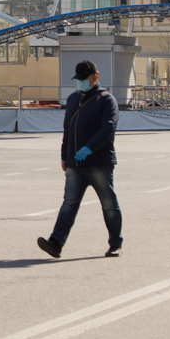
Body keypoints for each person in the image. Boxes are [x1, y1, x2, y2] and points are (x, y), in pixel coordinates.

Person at [37, 60, 123, 260]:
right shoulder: (73, 100)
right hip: (75, 163)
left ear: (95, 77)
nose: (81, 83)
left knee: (109, 204)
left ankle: (115, 244)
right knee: (69, 204)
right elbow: (68, 130)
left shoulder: (106, 100)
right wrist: (64, 156)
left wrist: (89, 148)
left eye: (85, 79)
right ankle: (56, 243)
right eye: (79, 79)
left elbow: (108, 129)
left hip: (99, 163)